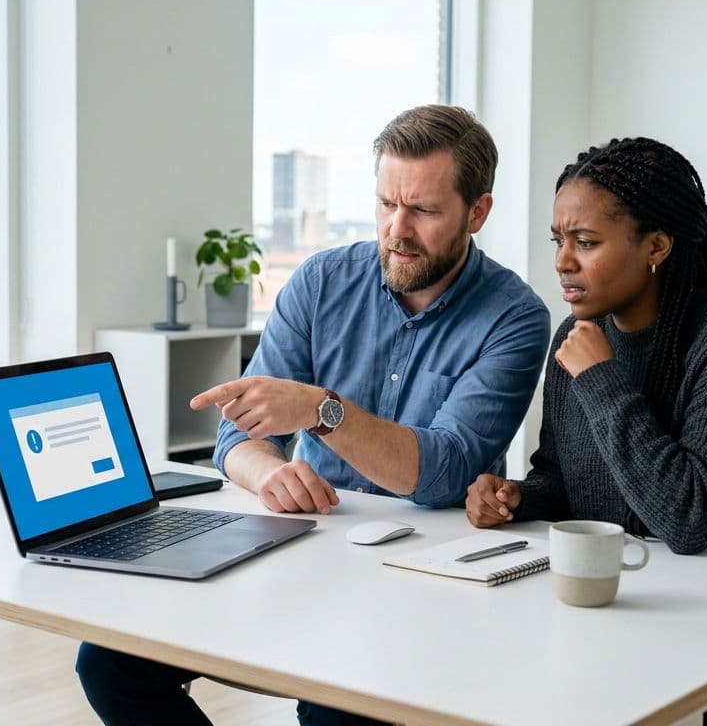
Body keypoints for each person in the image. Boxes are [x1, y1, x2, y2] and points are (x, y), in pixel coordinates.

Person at [76, 104, 550, 726]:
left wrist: (323, 413)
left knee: (337, 711)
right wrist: (267, 472)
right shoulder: (322, 281)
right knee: (110, 661)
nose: (396, 230)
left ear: (477, 212)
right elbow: (234, 436)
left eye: (424, 211)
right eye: (386, 204)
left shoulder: (515, 317)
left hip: (423, 574)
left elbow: (444, 472)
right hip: (306, 546)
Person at [464, 137, 707, 725]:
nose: (562, 261)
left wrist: (603, 378)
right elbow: (564, 479)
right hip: (625, 613)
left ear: (656, 245)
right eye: (558, 241)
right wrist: (516, 499)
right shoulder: (574, 340)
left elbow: (688, 520)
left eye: (586, 242)